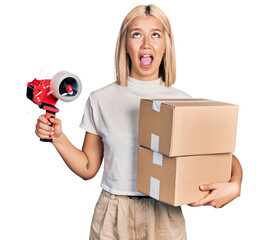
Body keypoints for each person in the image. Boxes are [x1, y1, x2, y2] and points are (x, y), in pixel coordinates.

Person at [35, 4, 242, 240]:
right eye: (136, 34)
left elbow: (221, 157)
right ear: (125, 45)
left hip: (164, 214)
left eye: (155, 34)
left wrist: (235, 184)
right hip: (113, 214)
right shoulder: (101, 99)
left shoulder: (184, 104)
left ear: (166, 45)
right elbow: (88, 167)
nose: (146, 43)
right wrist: (57, 138)